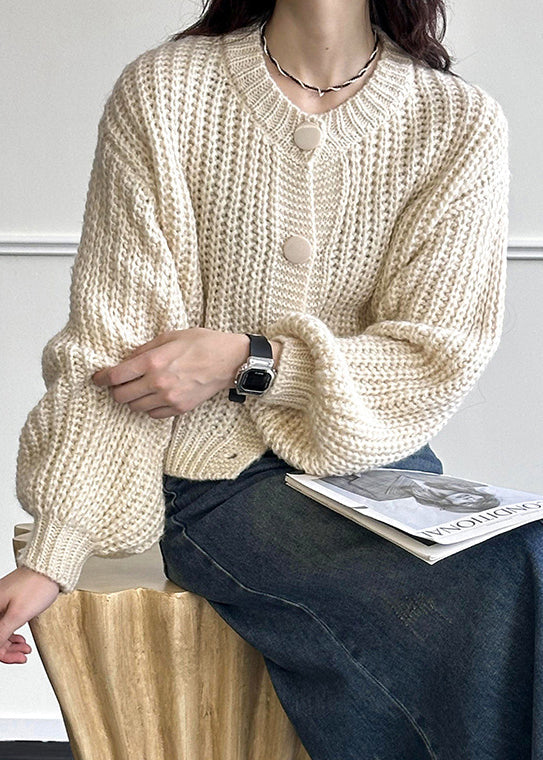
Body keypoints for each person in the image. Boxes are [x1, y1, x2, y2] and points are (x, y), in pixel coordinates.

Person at [2, 1, 541, 758]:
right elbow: (111, 343)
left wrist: (252, 359)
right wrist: (54, 549)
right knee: (469, 594)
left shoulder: (455, 122)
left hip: (377, 466)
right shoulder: (166, 90)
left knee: (526, 555)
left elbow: (435, 355)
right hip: (210, 481)